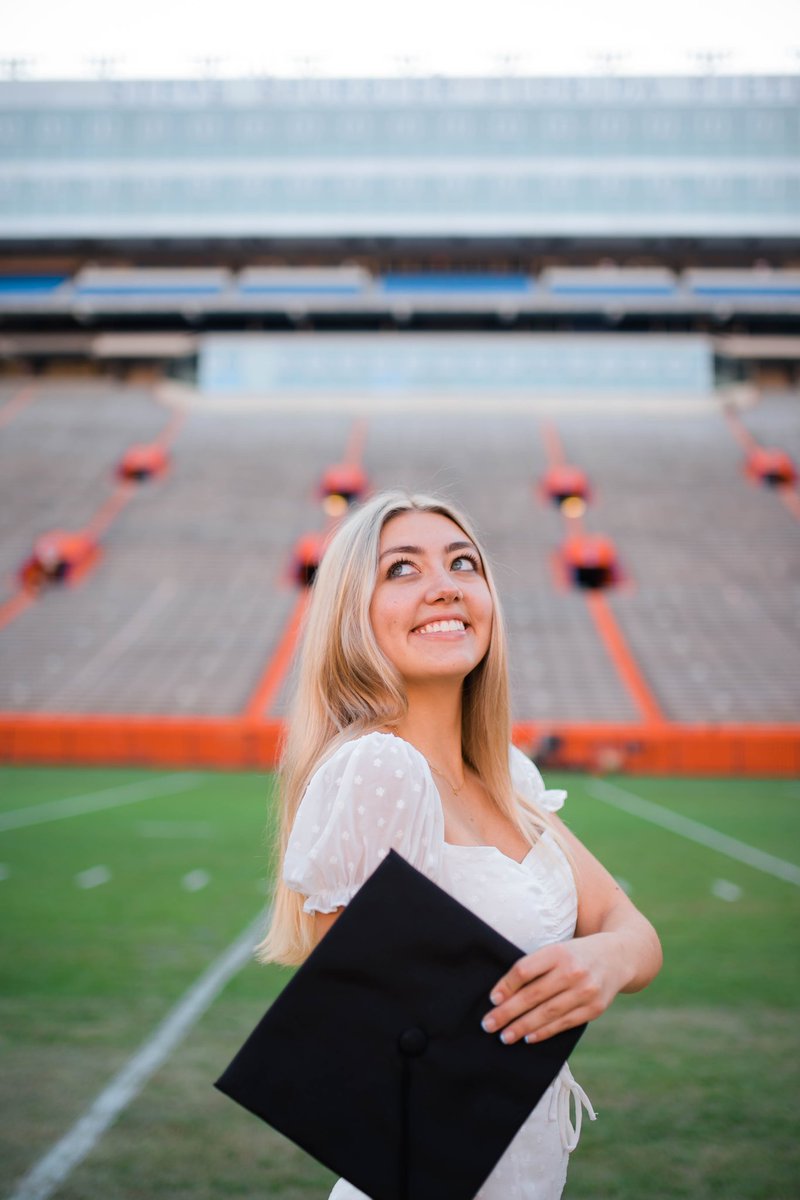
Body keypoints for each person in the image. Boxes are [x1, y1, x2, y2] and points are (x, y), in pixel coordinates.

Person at [258, 489, 662, 1200]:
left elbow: (631, 931)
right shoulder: (379, 769)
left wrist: (606, 960)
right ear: (353, 612)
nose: (444, 586)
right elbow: (370, 1058)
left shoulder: (508, 772)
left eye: (463, 564)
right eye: (402, 570)